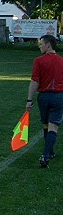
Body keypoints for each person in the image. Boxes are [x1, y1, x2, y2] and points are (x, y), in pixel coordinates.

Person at [26, 34, 63, 168]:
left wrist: (29, 99)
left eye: (41, 44)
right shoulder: (61, 61)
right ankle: (46, 154)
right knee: (53, 126)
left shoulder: (39, 61)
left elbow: (35, 81)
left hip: (44, 97)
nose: (40, 46)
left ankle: (49, 152)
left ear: (48, 45)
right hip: (58, 96)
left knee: (46, 125)